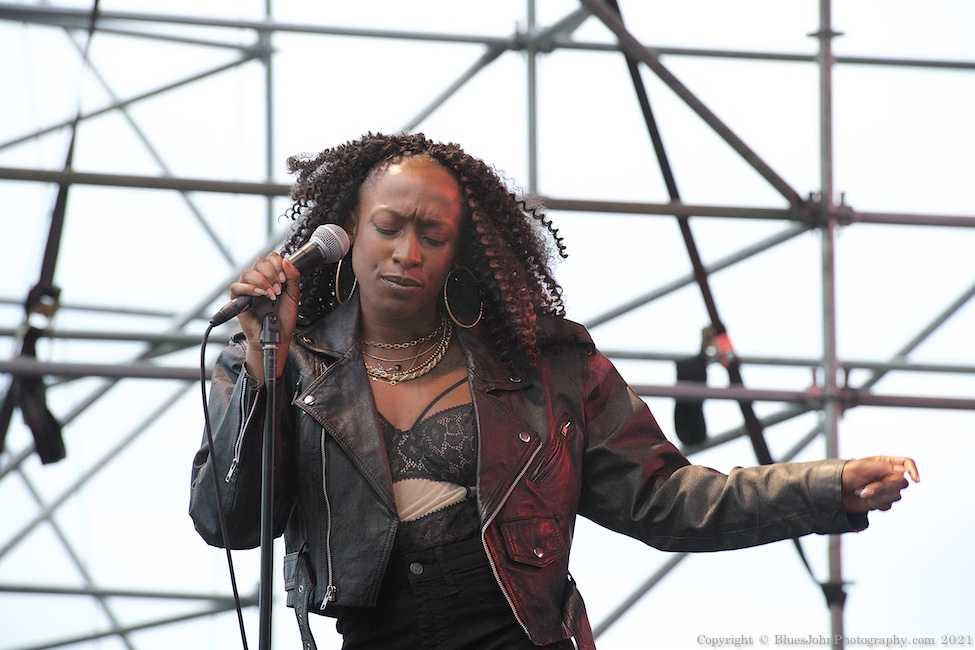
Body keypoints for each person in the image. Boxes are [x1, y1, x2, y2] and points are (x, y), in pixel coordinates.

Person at [189, 132, 919, 650]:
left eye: (433, 235)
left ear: (459, 251)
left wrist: (825, 488)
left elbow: (669, 500)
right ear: (347, 229)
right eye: (388, 227)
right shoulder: (279, 361)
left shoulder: (545, 369)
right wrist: (263, 369)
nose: (407, 252)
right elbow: (227, 523)